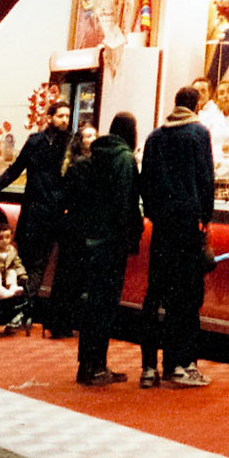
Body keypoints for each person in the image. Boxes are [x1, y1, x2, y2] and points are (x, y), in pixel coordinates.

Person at [0, 97, 71, 331]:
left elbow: (15, 171)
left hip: (40, 213)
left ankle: (19, 310)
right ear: (49, 117)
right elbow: (14, 170)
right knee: (29, 265)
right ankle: (20, 310)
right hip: (43, 213)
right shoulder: (54, 143)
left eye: (67, 116)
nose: (65, 120)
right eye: (61, 116)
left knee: (30, 264)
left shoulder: (53, 143)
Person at [139, 85, 214, 389]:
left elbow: (146, 180)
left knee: (155, 292)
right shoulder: (198, 134)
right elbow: (206, 179)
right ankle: (178, 364)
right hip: (187, 226)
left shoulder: (155, 136)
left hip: (162, 226)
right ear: (196, 106)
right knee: (184, 295)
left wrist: (154, 214)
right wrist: (205, 218)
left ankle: (148, 368)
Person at [65, 111, 143, 386]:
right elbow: (126, 203)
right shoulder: (124, 159)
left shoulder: (96, 154)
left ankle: (87, 364)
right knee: (106, 305)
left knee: (93, 304)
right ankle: (96, 366)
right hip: (113, 241)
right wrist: (132, 235)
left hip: (93, 238)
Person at [47, 119, 98, 340]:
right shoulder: (85, 165)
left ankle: (59, 321)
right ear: (80, 141)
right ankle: (62, 322)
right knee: (73, 276)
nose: (93, 139)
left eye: (94, 135)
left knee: (67, 275)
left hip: (71, 225)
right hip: (79, 226)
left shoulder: (74, 164)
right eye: (88, 136)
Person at [201, 81, 229, 191]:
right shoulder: (211, 119)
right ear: (217, 98)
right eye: (221, 93)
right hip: (217, 170)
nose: (225, 96)